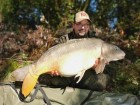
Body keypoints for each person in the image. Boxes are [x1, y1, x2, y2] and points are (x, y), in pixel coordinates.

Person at [38, 11, 110, 91]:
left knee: (101, 82)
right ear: (73, 25)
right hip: (65, 73)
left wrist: (97, 67)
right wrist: (51, 71)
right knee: (47, 78)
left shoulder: (96, 42)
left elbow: (106, 66)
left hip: (85, 74)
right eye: (79, 24)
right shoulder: (64, 40)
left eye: (86, 24)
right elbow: (51, 57)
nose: (83, 27)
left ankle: (74, 87)